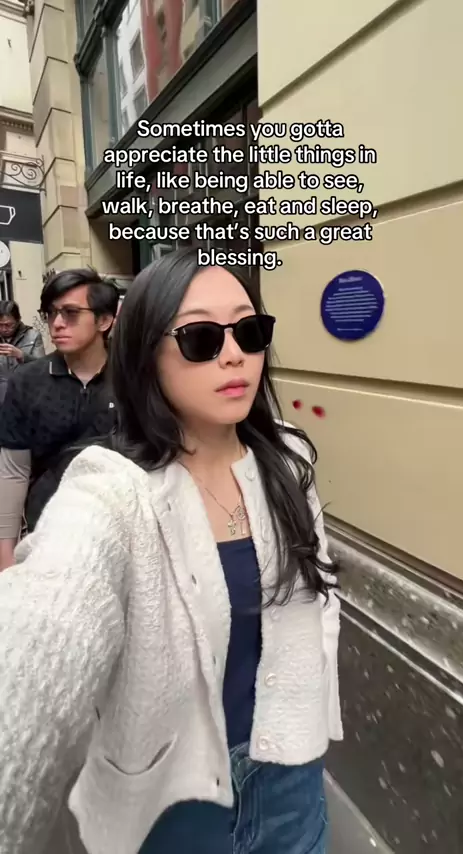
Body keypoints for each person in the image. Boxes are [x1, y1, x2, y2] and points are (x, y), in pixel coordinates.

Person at [0, 249, 342, 854]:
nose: (234, 354)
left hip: (293, 779)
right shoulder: (110, 491)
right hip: (173, 804)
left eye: (249, 331)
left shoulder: (289, 460)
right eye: (201, 338)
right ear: (145, 355)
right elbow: (39, 643)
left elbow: (318, 603)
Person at [0, 268, 119, 571]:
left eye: (71, 313)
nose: (57, 323)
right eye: (51, 313)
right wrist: (6, 554)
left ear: (104, 320)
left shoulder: (134, 379)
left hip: (120, 534)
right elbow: (13, 471)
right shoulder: (28, 381)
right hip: (46, 536)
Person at [0, 299, 45, 403]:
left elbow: (42, 366)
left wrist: (21, 355)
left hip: (27, 395)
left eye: (8, 325)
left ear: (18, 320)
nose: (3, 329)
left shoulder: (33, 336)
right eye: (0, 325)